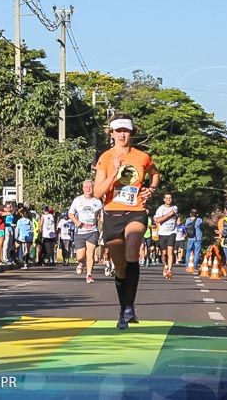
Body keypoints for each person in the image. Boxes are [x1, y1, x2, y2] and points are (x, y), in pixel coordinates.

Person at [94, 114, 159, 329]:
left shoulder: (142, 156)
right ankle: (125, 309)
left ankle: (129, 308)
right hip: (112, 213)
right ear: (111, 133)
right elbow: (97, 193)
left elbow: (154, 172)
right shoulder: (105, 157)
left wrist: (151, 189)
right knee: (119, 267)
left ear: (131, 133)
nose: (122, 135)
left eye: (126, 131)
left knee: (132, 250)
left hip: (136, 211)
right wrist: (113, 171)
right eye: (118, 131)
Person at [153, 193, 178, 279]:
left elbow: (174, 215)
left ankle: (170, 270)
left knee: (170, 252)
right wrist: (168, 215)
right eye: (167, 198)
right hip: (162, 233)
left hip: (172, 232)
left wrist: (172, 217)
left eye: (170, 198)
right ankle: (166, 265)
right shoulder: (160, 209)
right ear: (164, 200)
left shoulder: (175, 208)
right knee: (164, 253)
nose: (169, 199)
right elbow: (157, 220)